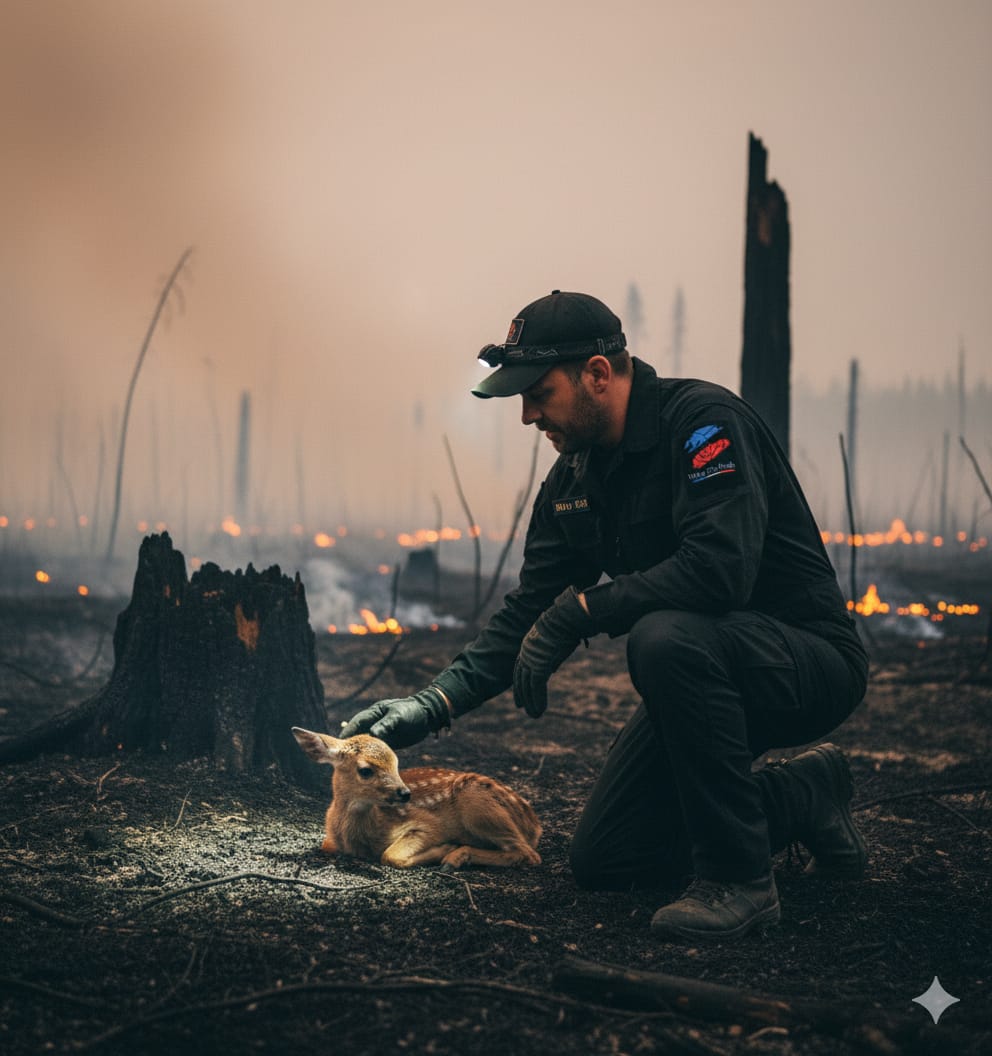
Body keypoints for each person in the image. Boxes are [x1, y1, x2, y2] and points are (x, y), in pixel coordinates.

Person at [342, 290, 869, 942]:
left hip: (805, 661)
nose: (529, 415)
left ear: (597, 373)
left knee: (662, 638)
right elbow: (526, 610)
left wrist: (582, 613)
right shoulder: (573, 481)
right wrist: (432, 703)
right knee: (608, 859)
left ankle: (740, 882)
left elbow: (718, 571)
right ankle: (802, 796)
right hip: (700, 675)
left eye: (539, 392)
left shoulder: (702, 424)